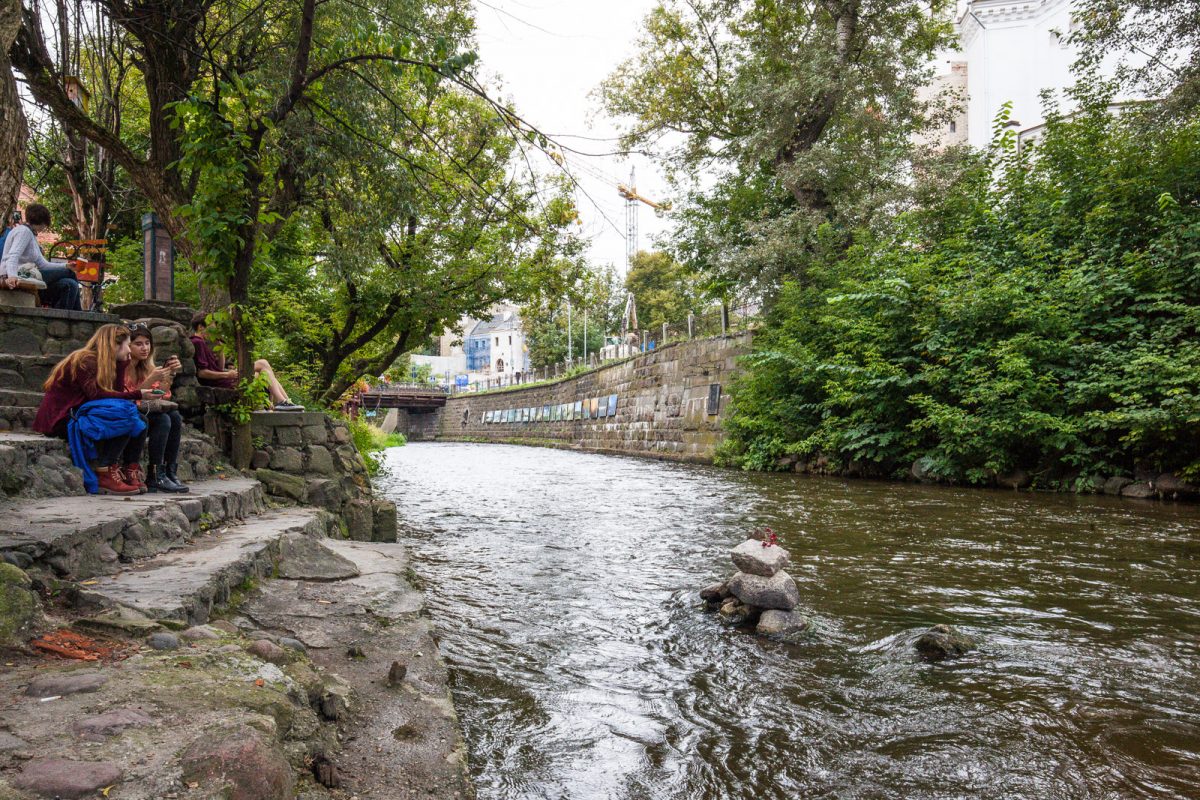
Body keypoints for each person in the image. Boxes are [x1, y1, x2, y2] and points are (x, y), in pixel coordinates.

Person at [33, 324, 158, 495]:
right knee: (125, 415)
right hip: (63, 419)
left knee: (139, 418)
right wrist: (137, 394)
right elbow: (98, 396)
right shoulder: (85, 360)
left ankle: (128, 468)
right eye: (128, 345)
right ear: (115, 344)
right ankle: (105, 472)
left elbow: (115, 394)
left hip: (82, 413)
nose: (129, 350)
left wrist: (121, 365)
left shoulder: (106, 361)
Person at [189, 312, 303, 411]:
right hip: (219, 383)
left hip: (223, 379)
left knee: (263, 372)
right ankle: (283, 402)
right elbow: (202, 373)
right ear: (200, 327)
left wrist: (221, 350)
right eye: (212, 327)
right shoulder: (197, 342)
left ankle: (285, 402)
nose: (215, 330)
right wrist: (227, 374)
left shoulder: (203, 343)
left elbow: (219, 367)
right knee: (263, 364)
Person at [126, 323, 190, 493]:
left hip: (142, 411)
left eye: (147, 343)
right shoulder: (122, 367)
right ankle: (155, 474)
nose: (144, 348)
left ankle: (168, 471)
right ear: (128, 346)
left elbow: (160, 394)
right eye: (138, 344)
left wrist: (170, 374)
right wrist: (150, 380)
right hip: (128, 413)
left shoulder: (147, 366)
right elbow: (129, 397)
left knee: (174, 416)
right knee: (163, 419)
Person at [0, 203, 81, 311]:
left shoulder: (30, 234)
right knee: (70, 273)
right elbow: (13, 255)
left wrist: (66, 265)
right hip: (21, 274)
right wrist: (12, 276)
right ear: (42, 222)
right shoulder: (24, 232)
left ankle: (62, 319)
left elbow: (43, 264)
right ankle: (78, 312)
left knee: (70, 284)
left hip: (30, 274)